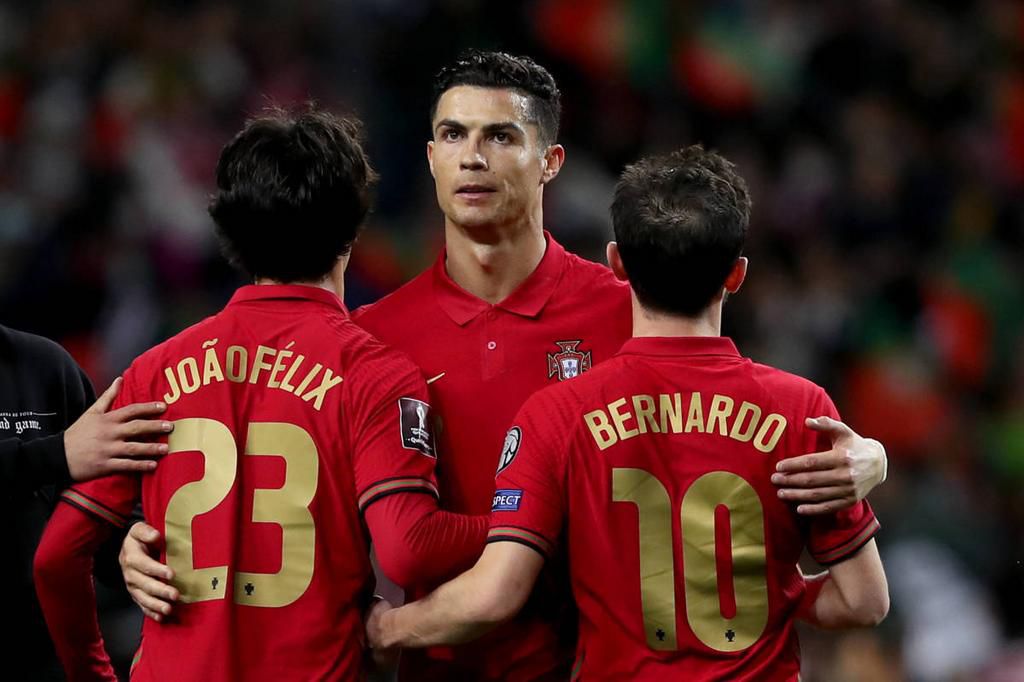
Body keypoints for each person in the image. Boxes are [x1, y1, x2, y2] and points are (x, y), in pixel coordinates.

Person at [119, 51, 889, 681]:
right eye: (452, 135)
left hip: (583, 663)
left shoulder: (629, 307)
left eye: (499, 136)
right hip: (430, 666)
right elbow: (285, 498)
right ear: (427, 157)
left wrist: (868, 454)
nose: (474, 157)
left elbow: (735, 415)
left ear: (550, 160)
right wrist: (155, 544)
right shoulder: (369, 341)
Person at [367, 145, 890, 680]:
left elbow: (496, 594)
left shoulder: (557, 414)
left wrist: (389, 629)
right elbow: (864, 602)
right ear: (736, 275)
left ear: (616, 263)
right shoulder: (801, 412)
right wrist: (762, 588)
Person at [33, 106, 487, 682]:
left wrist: (95, 675)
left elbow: (55, 559)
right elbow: (410, 547)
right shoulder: (373, 372)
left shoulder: (152, 372)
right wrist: (532, 521)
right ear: (350, 231)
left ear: (230, 231)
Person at [1, 324, 171, 681]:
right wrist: (55, 454)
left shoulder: (44, 365)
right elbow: (67, 456)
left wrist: (131, 544)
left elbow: (95, 509)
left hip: (46, 660)